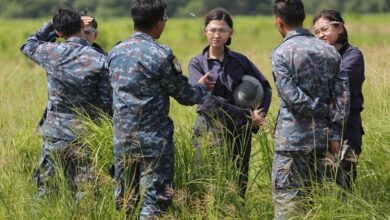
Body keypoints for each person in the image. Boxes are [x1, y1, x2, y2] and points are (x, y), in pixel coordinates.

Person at [105, 0, 213, 218]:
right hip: (153, 142)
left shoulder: (115, 53)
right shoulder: (160, 55)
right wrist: (201, 87)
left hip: (123, 139)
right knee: (154, 200)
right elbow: (186, 96)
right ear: (158, 23)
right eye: (165, 20)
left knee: (126, 200)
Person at [21, 7, 111, 199]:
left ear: (59, 33)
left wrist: (53, 25)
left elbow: (28, 44)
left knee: (46, 189)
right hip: (87, 134)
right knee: (86, 193)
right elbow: (106, 104)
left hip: (55, 134)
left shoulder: (51, 52)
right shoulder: (99, 59)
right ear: (82, 25)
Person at [270, 0, 350, 218]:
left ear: (279, 21)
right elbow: (343, 98)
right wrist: (334, 131)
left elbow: (292, 99)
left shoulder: (281, 53)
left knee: (288, 205)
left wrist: (321, 109)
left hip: (292, 144)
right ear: (303, 18)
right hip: (325, 141)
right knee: (321, 204)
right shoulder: (330, 51)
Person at [188, 7, 272, 198]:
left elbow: (265, 88)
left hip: (239, 133)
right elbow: (205, 101)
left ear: (230, 33)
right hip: (209, 129)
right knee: (207, 181)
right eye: (212, 29)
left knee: (238, 183)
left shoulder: (241, 61)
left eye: (222, 30)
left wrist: (259, 116)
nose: (217, 34)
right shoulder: (197, 63)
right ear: (205, 31)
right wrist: (245, 116)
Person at [313, 9, 365, 190]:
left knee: (343, 184)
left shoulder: (353, 55)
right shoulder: (319, 59)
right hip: (321, 129)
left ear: (340, 28)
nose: (320, 35)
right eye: (317, 32)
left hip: (347, 128)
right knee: (321, 185)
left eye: (325, 29)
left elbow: (339, 84)